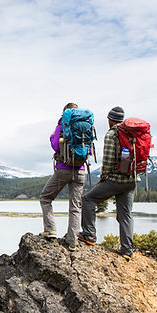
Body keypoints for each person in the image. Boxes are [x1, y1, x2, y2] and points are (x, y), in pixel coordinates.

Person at [78, 106, 136, 259]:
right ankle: (127, 249)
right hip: (131, 180)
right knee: (125, 215)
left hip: (116, 180)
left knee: (88, 199)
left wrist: (102, 179)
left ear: (110, 120)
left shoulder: (112, 134)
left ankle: (89, 235)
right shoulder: (131, 133)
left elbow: (108, 161)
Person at [39, 102, 86, 250]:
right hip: (80, 171)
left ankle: (50, 230)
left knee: (45, 198)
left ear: (64, 113)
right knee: (75, 207)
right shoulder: (85, 127)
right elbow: (89, 151)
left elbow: (55, 146)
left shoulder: (62, 126)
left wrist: (53, 137)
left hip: (63, 169)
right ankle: (72, 241)